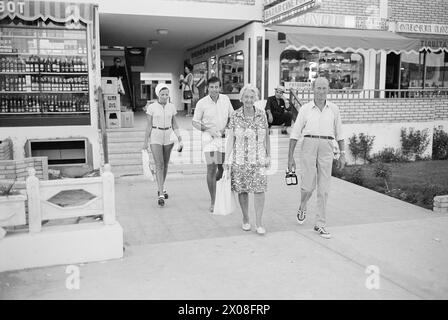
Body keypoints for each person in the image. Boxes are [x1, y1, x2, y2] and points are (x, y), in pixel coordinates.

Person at [287, 77, 346, 239]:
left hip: (327, 147)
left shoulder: (334, 109)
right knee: (308, 186)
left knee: (324, 187)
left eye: (324, 88)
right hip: (308, 145)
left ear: (328, 90)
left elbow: (339, 133)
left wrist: (342, 153)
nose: (321, 91)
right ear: (313, 89)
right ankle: (303, 204)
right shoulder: (305, 109)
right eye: (318, 88)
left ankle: (320, 223)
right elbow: (295, 133)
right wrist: (290, 157)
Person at [224, 85, 270, 235]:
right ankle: (245, 218)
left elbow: (267, 136)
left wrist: (268, 155)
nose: (249, 100)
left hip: (258, 158)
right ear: (242, 98)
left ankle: (259, 223)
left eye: (252, 97)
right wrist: (226, 158)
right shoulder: (235, 115)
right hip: (240, 159)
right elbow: (231, 138)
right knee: (242, 190)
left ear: (255, 98)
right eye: (246, 97)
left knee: (259, 190)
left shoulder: (261, 115)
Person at [192, 76, 233, 212]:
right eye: (212, 87)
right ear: (208, 88)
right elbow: (195, 122)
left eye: (216, 87)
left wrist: (226, 128)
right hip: (208, 139)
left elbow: (231, 116)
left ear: (219, 87)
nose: (214, 89)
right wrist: (208, 129)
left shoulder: (225, 99)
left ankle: (216, 187)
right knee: (211, 167)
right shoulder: (202, 103)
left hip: (223, 138)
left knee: (221, 169)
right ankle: (214, 201)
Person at [142, 83, 183, 207]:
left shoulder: (171, 107)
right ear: (158, 94)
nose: (165, 96)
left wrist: (180, 139)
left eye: (166, 94)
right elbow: (148, 125)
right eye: (162, 94)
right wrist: (145, 141)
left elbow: (175, 124)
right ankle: (160, 194)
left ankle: (161, 187)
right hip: (156, 135)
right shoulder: (151, 107)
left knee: (165, 165)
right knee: (159, 164)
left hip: (168, 136)